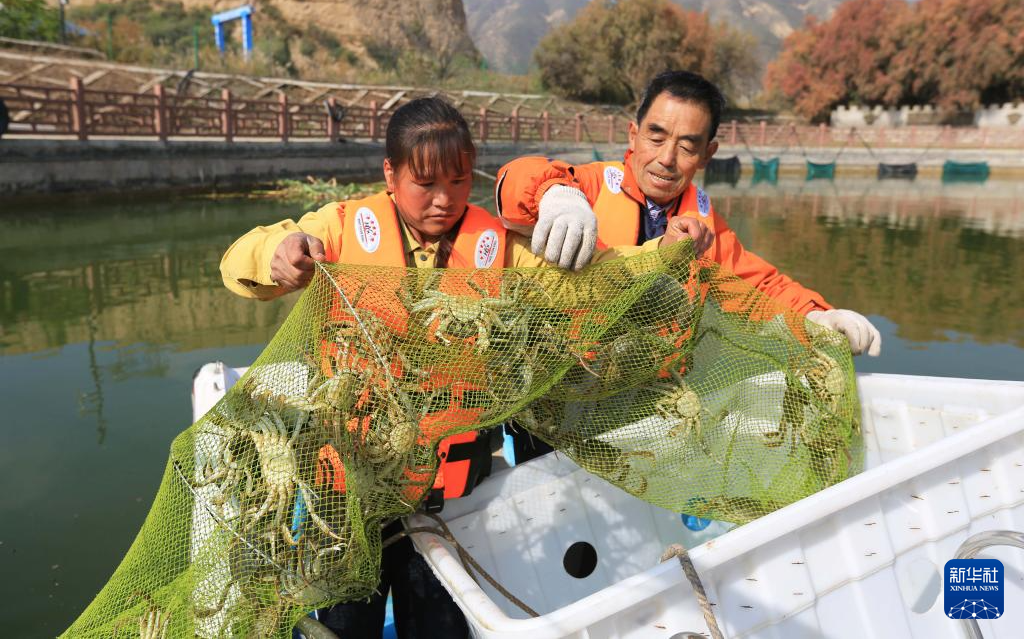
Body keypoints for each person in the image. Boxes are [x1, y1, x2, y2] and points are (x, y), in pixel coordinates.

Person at [220, 96, 698, 639]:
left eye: (459, 180)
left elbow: (592, 277)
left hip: (448, 498)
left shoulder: (498, 246)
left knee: (441, 627)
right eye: (425, 184)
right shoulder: (343, 228)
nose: (444, 199)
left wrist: (663, 251)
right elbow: (240, 259)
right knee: (343, 626)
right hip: (347, 490)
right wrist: (278, 254)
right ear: (390, 174)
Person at [494, 70, 881, 357]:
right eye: (656, 136)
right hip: (565, 370)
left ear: (708, 154)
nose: (666, 158)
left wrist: (818, 317)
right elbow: (515, 178)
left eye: (687, 146)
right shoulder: (587, 186)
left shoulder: (707, 226)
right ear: (633, 134)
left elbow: (760, 288)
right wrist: (555, 194)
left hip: (645, 386)